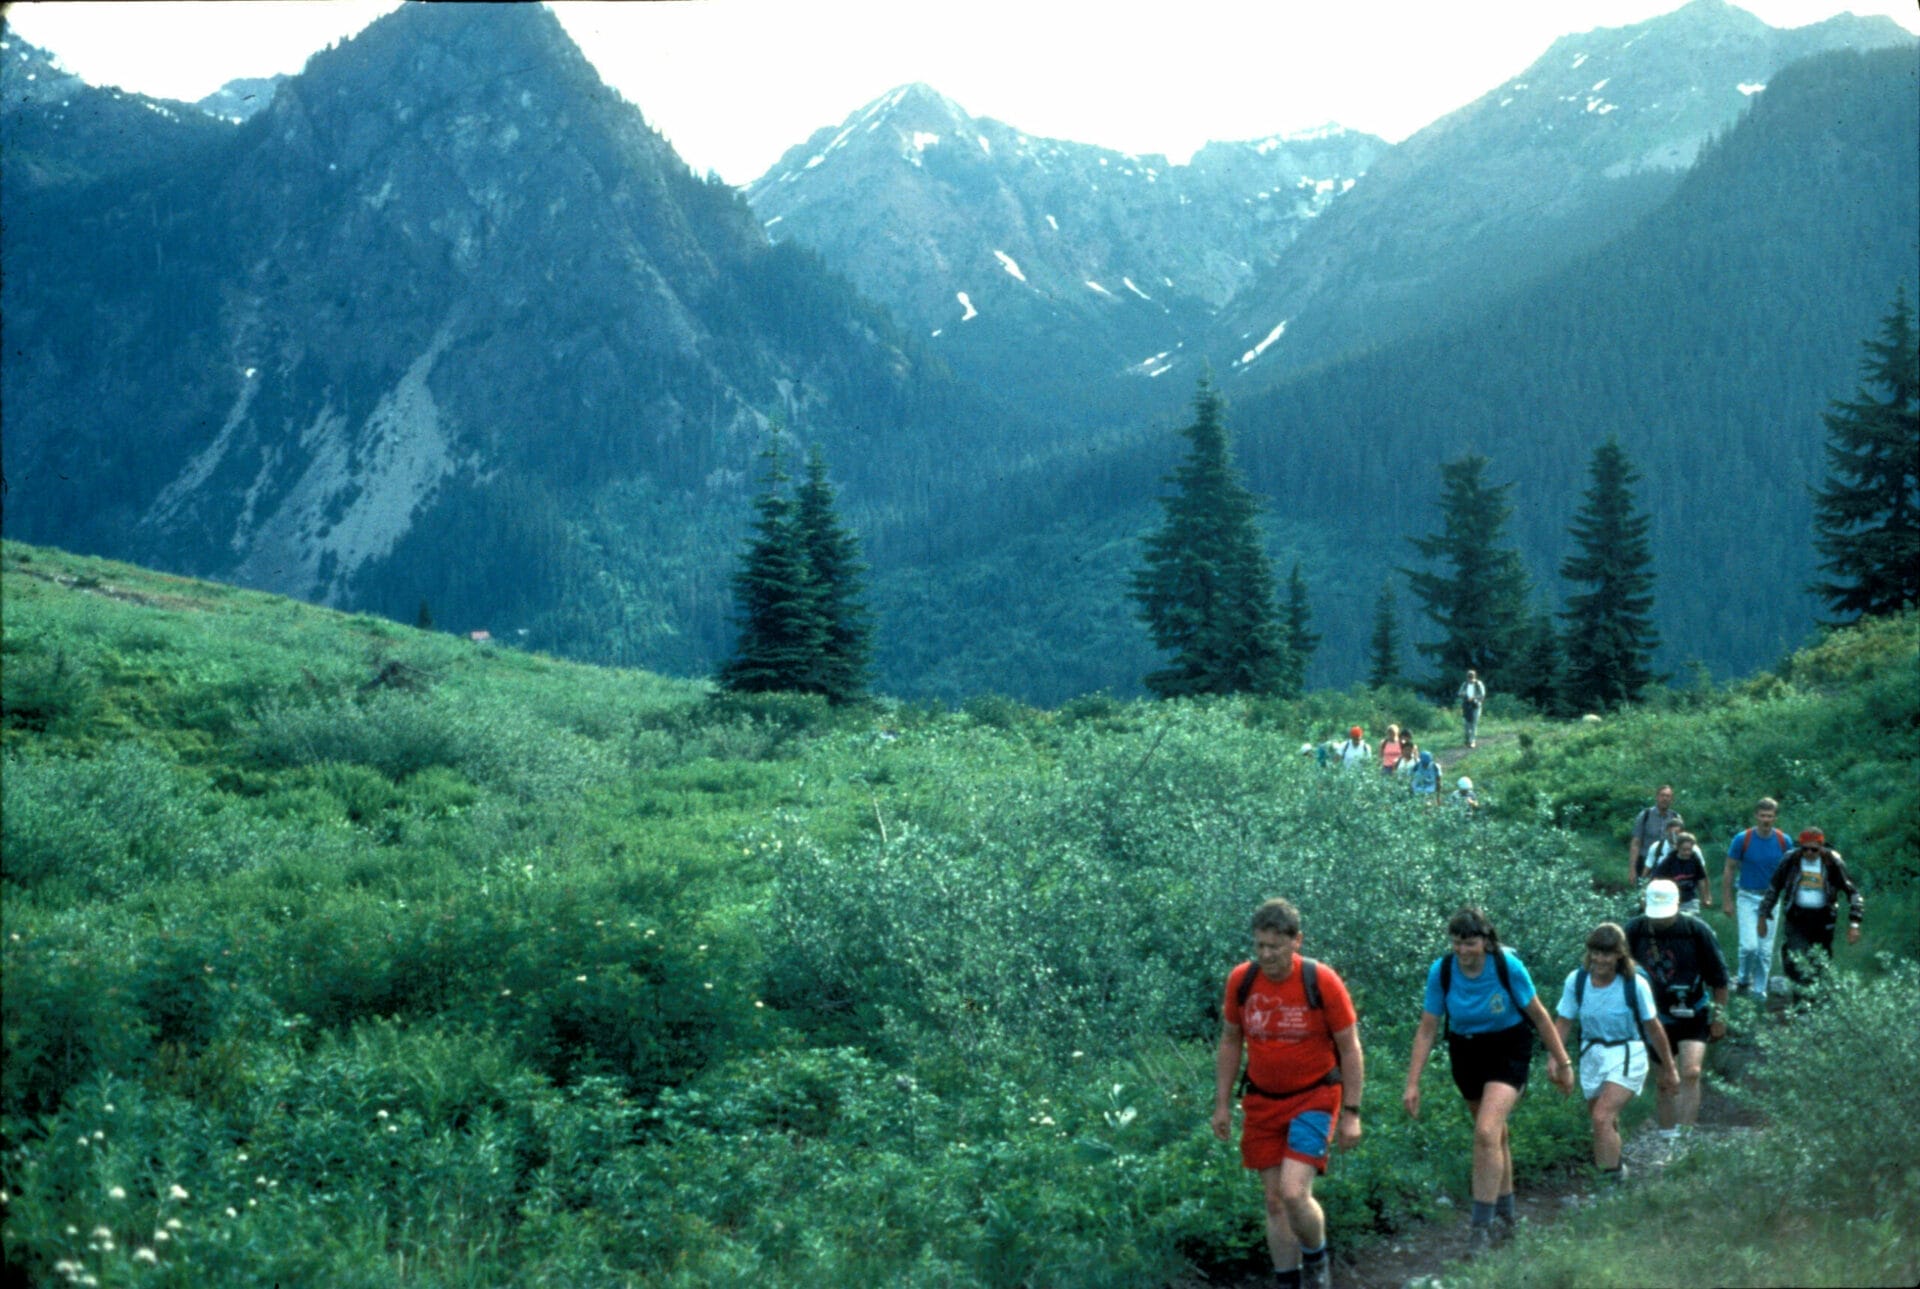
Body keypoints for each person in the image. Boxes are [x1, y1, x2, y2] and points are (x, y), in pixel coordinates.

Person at [1403, 907, 1575, 1254]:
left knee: (1485, 1132)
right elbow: (1427, 1028)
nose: (1463, 952)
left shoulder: (1506, 966)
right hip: (1466, 1051)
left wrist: (1563, 1061)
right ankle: (1507, 1217)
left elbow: (1540, 1017)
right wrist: (1412, 1083)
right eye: (1456, 944)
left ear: (1485, 941)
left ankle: (1480, 1227)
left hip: (1509, 1047)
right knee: (1494, 1136)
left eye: (1469, 944)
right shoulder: (1443, 970)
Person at [1213, 899, 1365, 1289]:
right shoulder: (1242, 981)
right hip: (1262, 1101)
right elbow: (1231, 1040)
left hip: (1315, 1096)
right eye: (1259, 946)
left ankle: (1316, 1260)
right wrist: (1221, 1104)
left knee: (1294, 1192)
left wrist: (1351, 1113)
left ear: (1296, 941)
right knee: (1274, 1202)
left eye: (1274, 947)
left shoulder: (1321, 980)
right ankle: (1288, 1282)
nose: (1265, 955)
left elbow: (1349, 1047)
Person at [1553, 922, 1679, 1182]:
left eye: (1607, 953)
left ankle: (1608, 1182)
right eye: (1595, 952)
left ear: (1619, 954)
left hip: (1628, 1052)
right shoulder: (1576, 981)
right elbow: (1564, 1020)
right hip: (1592, 1053)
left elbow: (1653, 1028)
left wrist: (1669, 1068)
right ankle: (1618, 1168)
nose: (1600, 959)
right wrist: (1555, 1057)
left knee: (1601, 1116)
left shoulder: (1635, 984)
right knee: (1602, 1121)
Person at [1628, 880, 1730, 1145]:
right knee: (1664, 1079)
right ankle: (1666, 1135)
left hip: (1692, 1010)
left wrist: (1719, 1017)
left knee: (1691, 1071)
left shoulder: (1697, 931)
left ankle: (1684, 1137)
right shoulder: (1635, 930)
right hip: (1653, 1015)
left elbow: (1719, 978)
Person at [1755, 829, 1864, 995]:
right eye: (1805, 848)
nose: (1809, 853)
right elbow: (1774, 888)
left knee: (1819, 962)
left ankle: (1818, 1000)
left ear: (1821, 846)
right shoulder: (1791, 860)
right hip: (1797, 918)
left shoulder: (1832, 861)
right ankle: (1800, 1001)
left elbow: (1853, 892)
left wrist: (1854, 923)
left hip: (1823, 919)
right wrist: (1763, 916)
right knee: (1795, 959)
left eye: (1814, 849)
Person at [1724, 798, 1792, 998]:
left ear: (1775, 817)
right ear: (1756, 816)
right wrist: (1727, 900)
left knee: (1764, 950)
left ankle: (1759, 990)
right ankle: (1744, 978)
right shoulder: (1742, 839)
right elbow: (1729, 868)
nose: (1766, 820)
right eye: (1762, 816)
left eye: (1770, 816)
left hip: (1771, 899)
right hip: (1747, 896)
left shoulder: (1783, 841)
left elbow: (1790, 871)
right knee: (1749, 946)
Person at [1647, 831, 1712, 915]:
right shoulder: (1669, 861)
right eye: (1684, 850)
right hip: (1672, 900)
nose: (1687, 853)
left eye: (1689, 850)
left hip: (1690, 898)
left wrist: (1705, 897)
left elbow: (1701, 879)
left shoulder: (1694, 859)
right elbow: (1655, 879)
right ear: (1677, 848)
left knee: (1692, 920)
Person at [1627, 785, 1678, 885]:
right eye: (1662, 795)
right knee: (1643, 893)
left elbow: (1679, 843)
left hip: (1668, 864)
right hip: (1645, 862)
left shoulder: (1675, 817)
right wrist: (1632, 869)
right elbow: (1636, 843)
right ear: (1657, 797)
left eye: (1668, 796)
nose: (1665, 799)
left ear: (1671, 799)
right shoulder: (1645, 815)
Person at [1457, 670, 1487, 748]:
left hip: (1476, 706)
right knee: (1466, 724)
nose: (1470, 679)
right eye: (1469, 677)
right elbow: (1459, 693)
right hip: (1466, 706)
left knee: (1474, 723)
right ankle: (1467, 740)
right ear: (1467, 677)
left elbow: (1482, 695)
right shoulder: (1465, 684)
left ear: (1474, 677)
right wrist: (1462, 694)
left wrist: (1474, 698)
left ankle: (1472, 741)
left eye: (1471, 677)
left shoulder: (1478, 684)